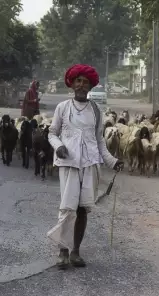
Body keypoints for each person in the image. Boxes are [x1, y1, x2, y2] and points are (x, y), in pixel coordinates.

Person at [47, 64, 124, 270]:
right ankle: (62, 251)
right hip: (69, 163)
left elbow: (99, 142)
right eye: (78, 81)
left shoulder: (96, 111)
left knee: (82, 210)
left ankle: (75, 252)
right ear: (72, 84)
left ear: (90, 86)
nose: (81, 85)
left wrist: (113, 161)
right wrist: (59, 146)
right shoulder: (63, 107)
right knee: (67, 207)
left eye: (85, 82)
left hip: (90, 164)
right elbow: (52, 133)